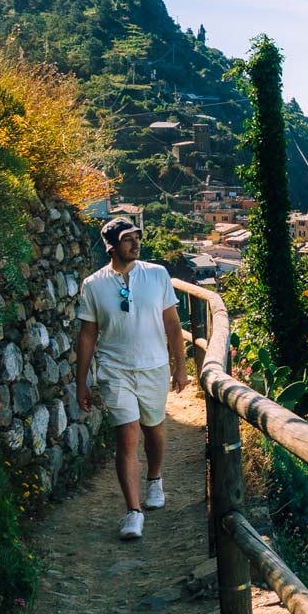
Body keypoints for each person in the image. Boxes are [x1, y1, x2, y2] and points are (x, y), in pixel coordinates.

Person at [75, 216, 189, 540]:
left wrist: (179, 366)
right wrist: (80, 382)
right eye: (128, 239)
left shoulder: (157, 275)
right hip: (115, 370)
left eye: (137, 237)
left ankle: (155, 478)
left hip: (153, 367)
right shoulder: (93, 285)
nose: (136, 243)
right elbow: (86, 336)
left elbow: (173, 325)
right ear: (112, 246)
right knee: (127, 435)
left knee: (153, 428)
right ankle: (133, 512)